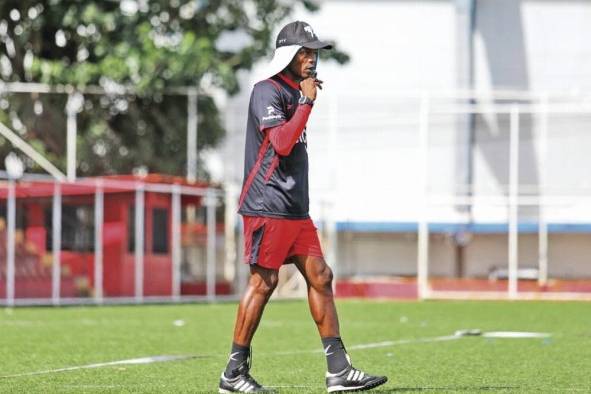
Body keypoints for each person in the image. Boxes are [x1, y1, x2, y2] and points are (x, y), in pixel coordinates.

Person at [219, 21, 388, 393]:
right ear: (287, 56)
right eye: (305, 53)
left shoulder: (295, 92)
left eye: (314, 53)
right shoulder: (267, 90)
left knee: (321, 277)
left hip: (294, 209)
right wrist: (307, 102)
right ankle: (233, 374)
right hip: (267, 204)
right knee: (264, 282)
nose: (311, 59)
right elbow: (280, 142)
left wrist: (304, 99)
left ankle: (339, 371)